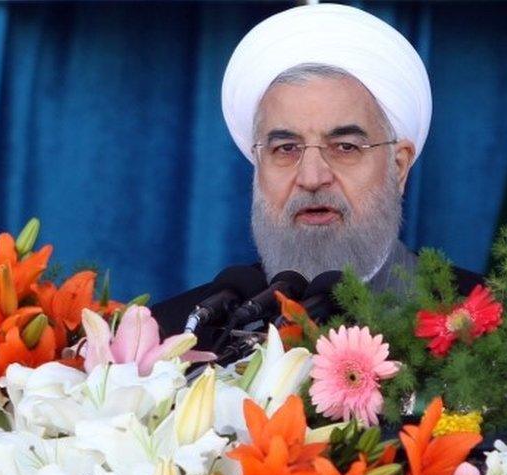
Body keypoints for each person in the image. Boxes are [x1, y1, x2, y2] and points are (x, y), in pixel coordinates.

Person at [152, 3, 483, 343]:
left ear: (398, 167)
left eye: (345, 147)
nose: (312, 178)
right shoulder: (171, 338)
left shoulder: (496, 330)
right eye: (286, 148)